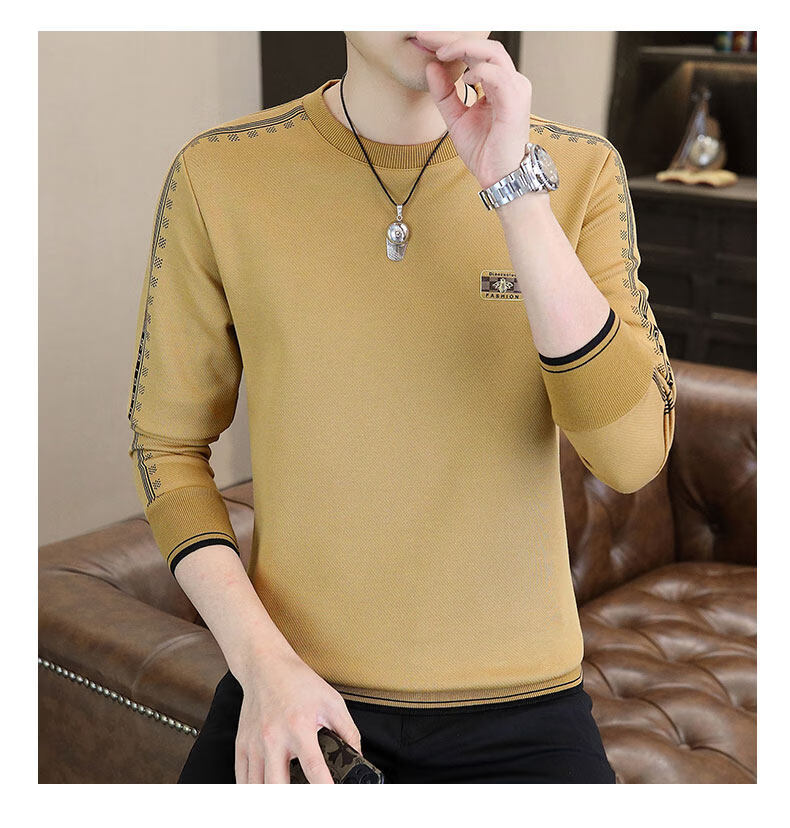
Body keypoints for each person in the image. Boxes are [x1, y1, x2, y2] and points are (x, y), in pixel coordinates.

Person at [126, 30, 676, 784]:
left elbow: (633, 456)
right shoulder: (218, 172)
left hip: (523, 711)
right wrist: (262, 664)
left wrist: (516, 193)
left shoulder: (579, 170)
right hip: (296, 693)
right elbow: (166, 447)